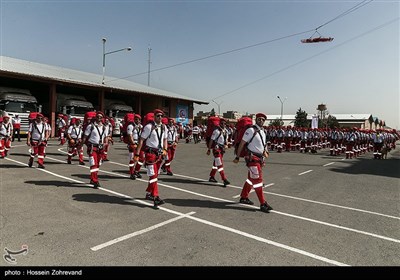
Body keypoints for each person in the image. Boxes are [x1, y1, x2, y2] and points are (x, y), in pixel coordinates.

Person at [233, 113, 273, 213]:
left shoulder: (263, 131)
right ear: (256, 120)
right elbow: (242, 143)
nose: (261, 121)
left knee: (251, 179)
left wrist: (264, 155)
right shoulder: (250, 130)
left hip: (259, 158)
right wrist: (237, 156)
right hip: (252, 158)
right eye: (259, 119)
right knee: (258, 181)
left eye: (263, 119)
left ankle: (244, 197)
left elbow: (263, 145)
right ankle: (263, 203)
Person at [134, 109, 168, 209]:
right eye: (158, 115)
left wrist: (165, 149)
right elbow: (141, 140)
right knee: (153, 176)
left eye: (162, 116)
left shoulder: (164, 127)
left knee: (155, 175)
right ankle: (155, 197)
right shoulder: (149, 127)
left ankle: (149, 193)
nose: (160, 117)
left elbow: (165, 139)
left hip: (159, 154)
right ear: (154, 116)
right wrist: (137, 154)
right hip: (150, 155)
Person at [82, 111, 109, 188]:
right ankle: (95, 180)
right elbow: (85, 137)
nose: (99, 118)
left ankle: (92, 178)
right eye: (98, 117)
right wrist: (80, 146)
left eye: (101, 117)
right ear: (95, 117)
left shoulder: (105, 127)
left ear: (102, 118)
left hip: (100, 148)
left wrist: (105, 143)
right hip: (92, 147)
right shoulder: (90, 126)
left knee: (98, 164)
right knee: (93, 164)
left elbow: (106, 137)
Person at [206, 118, 230, 187]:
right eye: (222, 123)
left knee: (215, 164)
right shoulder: (216, 131)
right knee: (219, 164)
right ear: (219, 123)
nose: (223, 125)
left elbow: (226, 140)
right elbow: (211, 140)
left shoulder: (226, 131)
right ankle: (224, 179)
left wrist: (226, 145)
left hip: (222, 149)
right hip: (216, 149)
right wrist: (209, 149)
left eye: (224, 123)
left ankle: (212, 176)